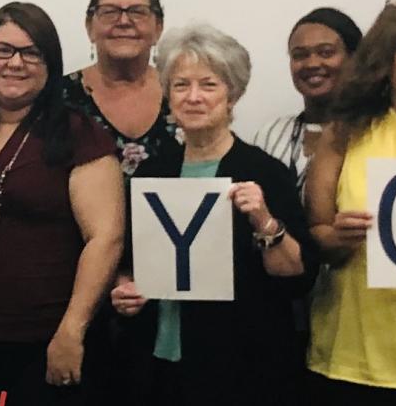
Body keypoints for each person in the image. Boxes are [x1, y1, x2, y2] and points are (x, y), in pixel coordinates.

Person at [104, 23, 315, 406]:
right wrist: (125, 289)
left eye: (209, 85)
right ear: (167, 94)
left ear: (232, 94)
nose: (194, 97)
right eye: (181, 85)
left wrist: (265, 221)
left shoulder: (263, 172)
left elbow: (297, 277)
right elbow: (131, 261)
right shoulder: (152, 172)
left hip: (240, 369)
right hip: (157, 363)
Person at [0, 2, 124, 406]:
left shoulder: (79, 134)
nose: (15, 63)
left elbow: (105, 238)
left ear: (50, 63)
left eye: (31, 52)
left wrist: (71, 332)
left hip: (48, 339)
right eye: (3, 50)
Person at [303, 0, 396, 404]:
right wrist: (338, 238)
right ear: (383, 56)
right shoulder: (345, 133)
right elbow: (317, 235)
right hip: (356, 354)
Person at [64, 0, 180, 175]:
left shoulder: (181, 94)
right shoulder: (58, 98)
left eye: (138, 12)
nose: (124, 21)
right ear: (89, 26)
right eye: (110, 12)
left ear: (158, 27)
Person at [253, 8, 364, 186]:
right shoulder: (272, 134)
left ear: (355, 58)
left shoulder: (373, 133)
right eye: (299, 55)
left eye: (326, 52)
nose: (312, 63)